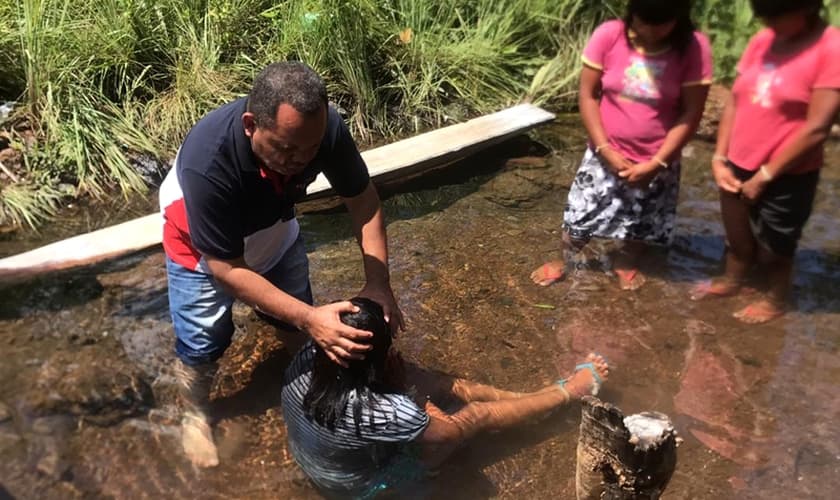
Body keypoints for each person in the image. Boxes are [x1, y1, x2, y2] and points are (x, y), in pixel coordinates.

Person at [159, 62, 404, 467]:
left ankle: (310, 385)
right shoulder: (208, 162)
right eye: (287, 149)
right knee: (204, 342)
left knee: (296, 326)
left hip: (272, 225)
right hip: (202, 251)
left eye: (310, 149)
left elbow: (364, 201)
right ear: (251, 124)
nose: (301, 159)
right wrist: (311, 318)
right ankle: (195, 411)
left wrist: (378, 283)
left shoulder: (320, 131)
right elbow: (228, 270)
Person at [281, 297, 609, 498]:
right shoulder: (378, 410)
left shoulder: (311, 353)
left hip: (321, 462)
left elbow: (382, 373)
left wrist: (406, 382)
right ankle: (568, 392)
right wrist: (406, 393)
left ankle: (531, 397)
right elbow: (449, 432)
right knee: (476, 414)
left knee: (428, 379)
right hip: (359, 487)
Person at [530, 0, 712, 290]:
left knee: (640, 220)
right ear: (632, 12)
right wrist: (605, 149)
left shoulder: (694, 48)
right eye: (644, 22)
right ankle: (564, 259)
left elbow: (691, 112)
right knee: (579, 217)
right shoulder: (609, 35)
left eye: (662, 23)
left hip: (658, 159)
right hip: (603, 153)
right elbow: (588, 96)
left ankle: (625, 260)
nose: (651, 32)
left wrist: (658, 162)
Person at [692, 0, 839, 323]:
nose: (768, 23)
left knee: (776, 249)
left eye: (777, 14)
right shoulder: (762, 40)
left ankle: (776, 298)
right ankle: (733, 280)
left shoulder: (831, 49)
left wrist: (765, 175)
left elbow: (817, 129)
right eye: (764, 15)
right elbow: (735, 99)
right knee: (737, 239)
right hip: (736, 161)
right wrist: (719, 157)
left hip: (788, 172)